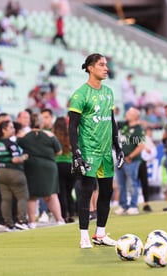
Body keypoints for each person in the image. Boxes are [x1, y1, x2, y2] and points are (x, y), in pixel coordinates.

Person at [68, 53, 123, 248]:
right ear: (90, 68)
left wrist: (118, 145)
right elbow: (72, 126)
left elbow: (112, 121)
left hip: (106, 151)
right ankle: (84, 235)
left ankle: (99, 234)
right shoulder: (80, 94)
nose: (106, 68)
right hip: (89, 149)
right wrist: (76, 151)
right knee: (86, 191)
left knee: (106, 192)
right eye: (101, 65)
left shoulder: (109, 92)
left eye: (106, 65)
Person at [17, 113, 65, 228]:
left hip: (31, 167)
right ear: (41, 122)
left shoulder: (24, 136)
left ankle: (32, 222)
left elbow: (18, 146)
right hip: (49, 167)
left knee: (32, 195)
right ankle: (59, 220)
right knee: (52, 194)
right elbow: (59, 151)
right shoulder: (49, 135)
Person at [0, 120, 29, 231]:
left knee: (6, 198)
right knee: (22, 196)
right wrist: (24, 157)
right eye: (11, 127)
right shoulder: (10, 143)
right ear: (4, 130)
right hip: (13, 172)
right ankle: (22, 220)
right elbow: (15, 159)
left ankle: (8, 223)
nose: (13, 129)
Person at [115, 107, 145, 215]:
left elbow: (141, 146)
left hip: (131, 160)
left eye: (129, 112)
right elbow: (113, 123)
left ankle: (133, 205)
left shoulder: (138, 129)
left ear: (135, 116)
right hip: (120, 158)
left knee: (132, 183)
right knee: (121, 184)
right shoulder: (124, 125)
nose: (126, 113)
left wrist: (130, 156)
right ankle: (123, 205)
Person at [53, 116, 76, 223]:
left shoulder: (54, 137)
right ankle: (72, 213)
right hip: (70, 165)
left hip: (58, 165)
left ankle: (64, 215)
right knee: (69, 192)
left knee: (61, 192)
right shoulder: (71, 135)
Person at [139, 126, 157, 212]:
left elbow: (152, 151)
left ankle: (145, 203)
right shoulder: (139, 137)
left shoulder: (147, 139)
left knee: (144, 184)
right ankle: (134, 204)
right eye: (149, 131)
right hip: (137, 162)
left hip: (142, 162)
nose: (151, 133)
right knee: (136, 184)